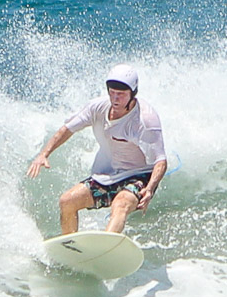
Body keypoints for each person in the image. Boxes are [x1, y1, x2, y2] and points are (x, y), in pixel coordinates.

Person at [26, 63, 170, 236]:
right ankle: (72, 248)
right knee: (67, 201)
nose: (115, 99)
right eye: (112, 93)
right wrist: (44, 154)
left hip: (140, 175)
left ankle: (105, 248)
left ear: (133, 94)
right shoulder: (97, 108)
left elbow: (161, 161)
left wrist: (150, 189)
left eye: (121, 95)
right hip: (108, 175)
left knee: (121, 203)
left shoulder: (145, 120)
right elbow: (68, 129)